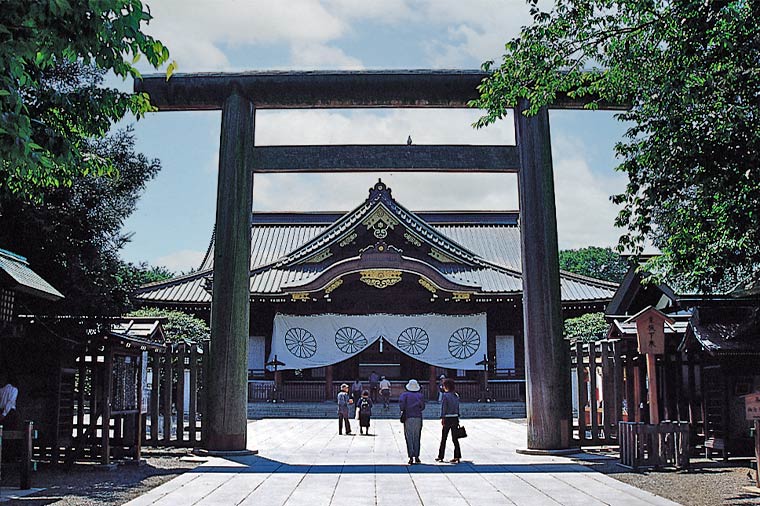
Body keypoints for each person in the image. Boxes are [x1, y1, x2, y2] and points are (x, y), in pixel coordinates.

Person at [399, 378, 425, 465]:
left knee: (409, 437)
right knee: (417, 437)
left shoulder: (404, 395)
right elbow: (423, 407)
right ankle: (417, 456)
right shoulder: (420, 396)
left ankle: (410, 456)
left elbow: (402, 406)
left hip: (408, 417)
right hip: (418, 417)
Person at [436, 378, 462, 463]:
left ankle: (441, 456)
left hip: (447, 417)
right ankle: (457, 456)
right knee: (455, 438)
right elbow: (457, 407)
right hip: (455, 417)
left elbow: (444, 407)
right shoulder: (456, 395)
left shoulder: (445, 395)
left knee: (444, 438)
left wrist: (442, 417)